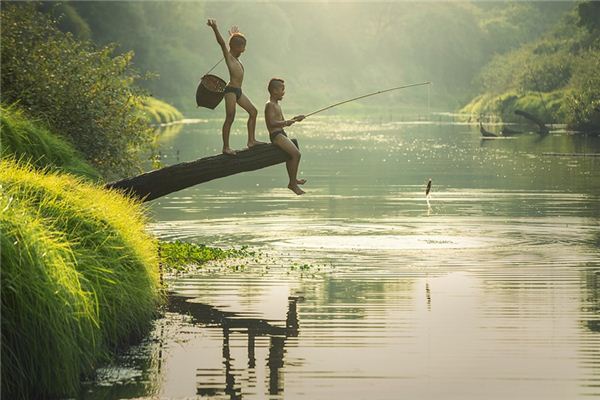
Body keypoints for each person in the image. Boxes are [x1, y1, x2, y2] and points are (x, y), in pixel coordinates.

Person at [207, 19, 264, 155]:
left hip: (238, 91)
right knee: (230, 117)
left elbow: (232, 44)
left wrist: (233, 35)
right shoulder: (230, 57)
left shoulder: (237, 57)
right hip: (231, 91)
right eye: (243, 45)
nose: (245, 48)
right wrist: (215, 28)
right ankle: (225, 147)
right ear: (238, 47)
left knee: (253, 112)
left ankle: (251, 141)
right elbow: (222, 44)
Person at [264, 78, 307, 195]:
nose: (283, 92)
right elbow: (271, 123)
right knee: (296, 154)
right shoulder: (270, 105)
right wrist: (287, 122)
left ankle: (294, 180)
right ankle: (292, 184)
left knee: (290, 155)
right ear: (274, 91)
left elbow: (282, 121)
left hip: (281, 133)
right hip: (276, 135)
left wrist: (295, 119)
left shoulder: (277, 105)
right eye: (282, 89)